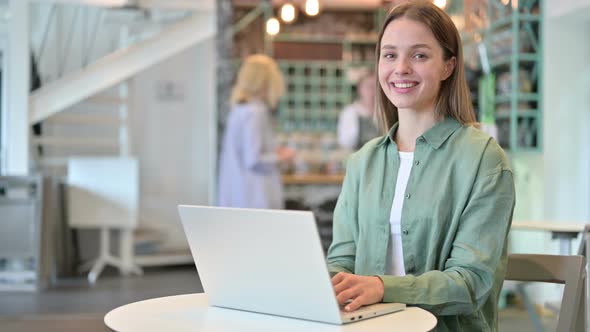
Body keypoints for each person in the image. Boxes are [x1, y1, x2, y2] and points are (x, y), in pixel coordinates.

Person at [327, 2, 515, 331]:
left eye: (419, 55)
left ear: (448, 66)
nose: (400, 68)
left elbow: (470, 282)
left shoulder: (483, 159)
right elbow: (341, 261)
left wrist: (383, 287)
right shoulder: (362, 162)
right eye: (389, 55)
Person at [217, 54, 295, 209]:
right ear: (266, 81)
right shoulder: (256, 112)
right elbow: (253, 159)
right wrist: (282, 157)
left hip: (238, 195)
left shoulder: (239, 109)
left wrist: (273, 151)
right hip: (255, 198)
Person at [337, 69, 379, 150]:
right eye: (368, 87)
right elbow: (344, 142)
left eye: (375, 87)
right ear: (360, 89)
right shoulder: (350, 112)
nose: (372, 91)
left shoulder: (384, 112)